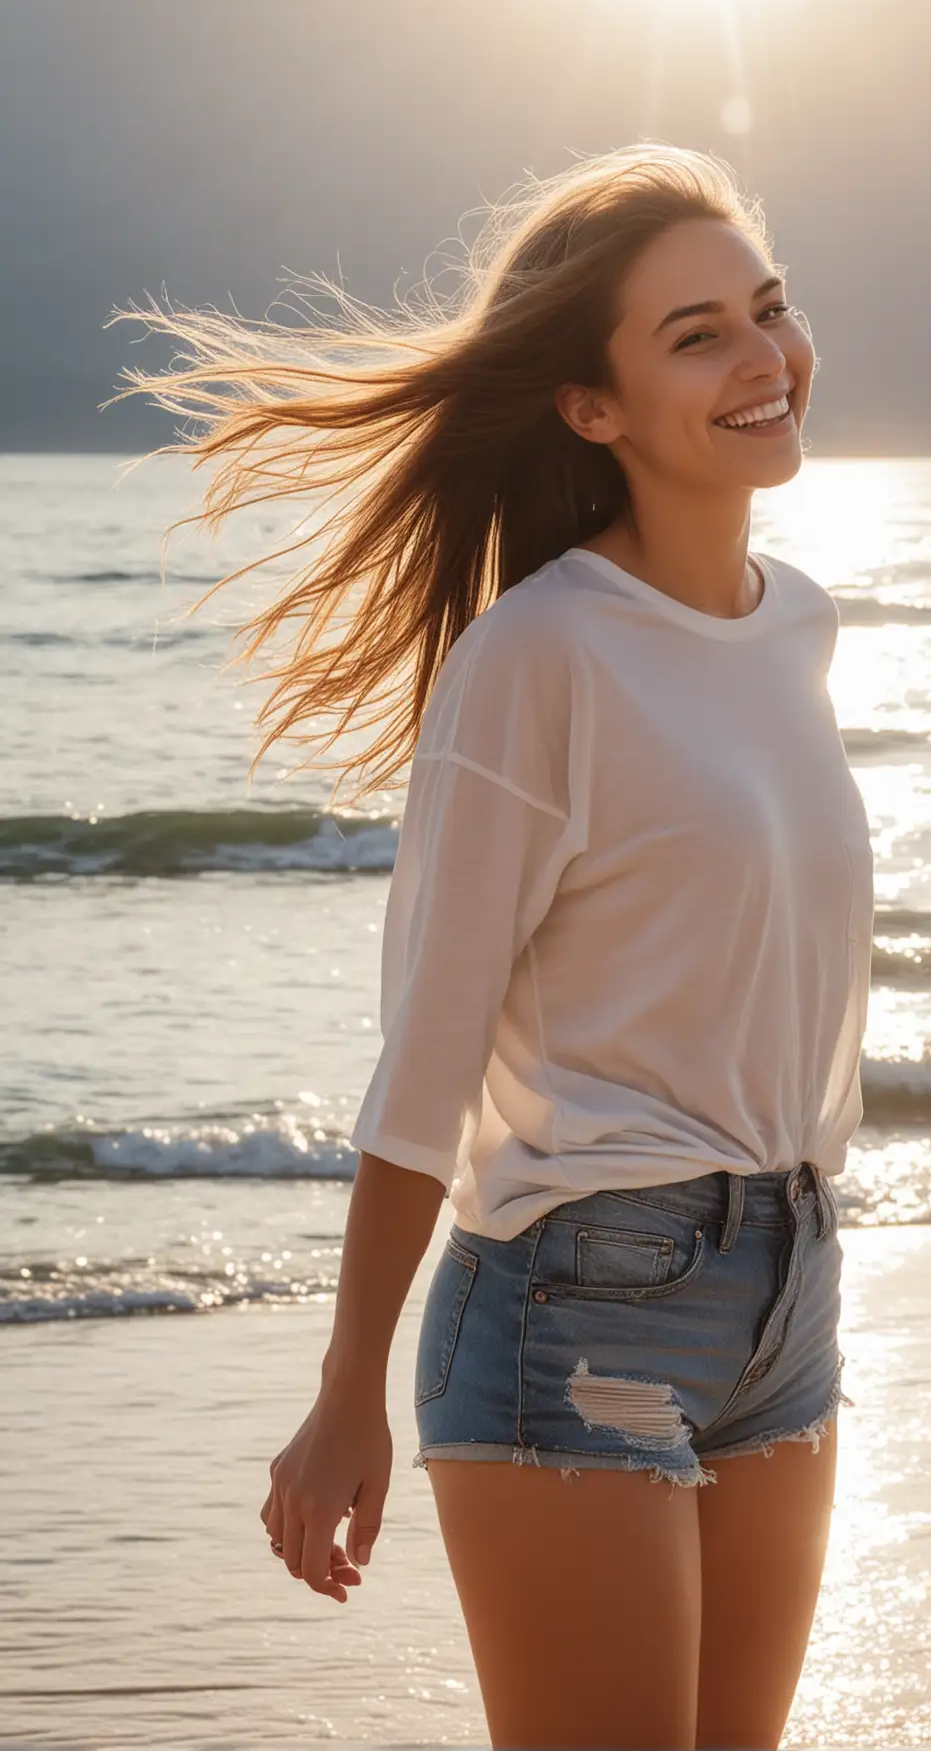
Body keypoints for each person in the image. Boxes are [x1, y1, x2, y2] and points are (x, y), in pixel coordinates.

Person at [110, 142, 875, 1750]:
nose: (764, 357)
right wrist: (347, 1394)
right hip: (576, 1306)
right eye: (697, 335)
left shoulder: (795, 623)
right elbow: (429, 1055)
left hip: (788, 1287)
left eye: (770, 309)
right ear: (589, 407)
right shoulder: (536, 661)